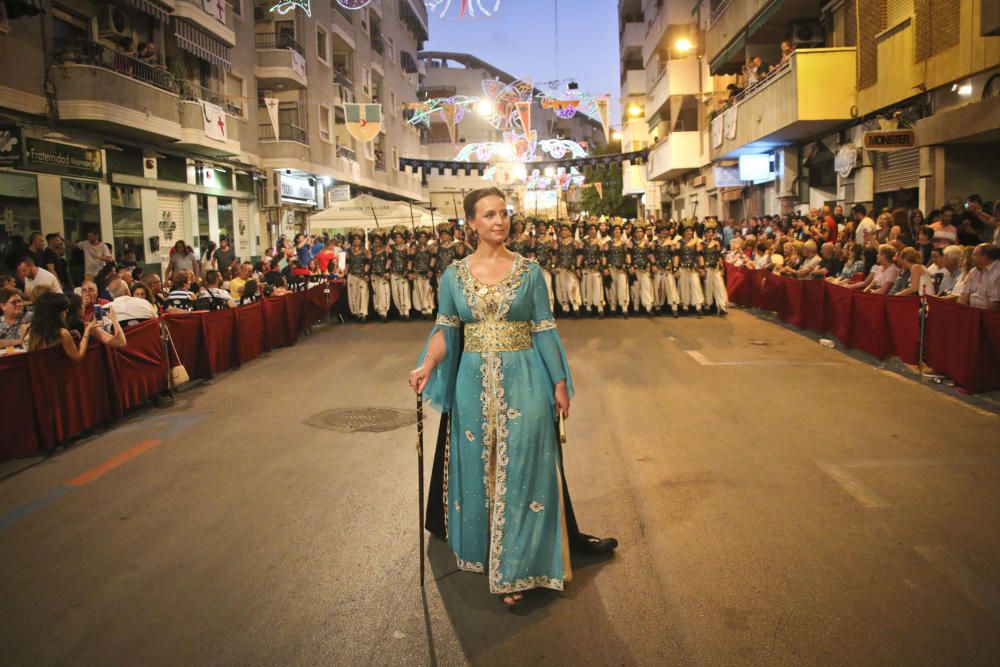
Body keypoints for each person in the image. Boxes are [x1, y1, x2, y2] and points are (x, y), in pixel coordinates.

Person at [408, 187, 615, 608]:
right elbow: (446, 331)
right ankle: (494, 555)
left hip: (526, 380)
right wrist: (427, 366)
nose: (499, 221)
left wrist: (558, 381)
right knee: (482, 471)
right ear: (471, 223)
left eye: (503, 213)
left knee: (523, 470)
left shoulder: (530, 272)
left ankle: (520, 567)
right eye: (488, 215)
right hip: (471, 386)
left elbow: (543, 328)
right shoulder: (453, 275)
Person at [25, 292, 104, 360]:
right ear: (55, 313)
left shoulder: (33, 331)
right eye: (63, 309)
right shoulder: (62, 333)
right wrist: (87, 331)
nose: (67, 311)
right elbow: (78, 357)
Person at [956, 243, 1000, 310]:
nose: (971, 257)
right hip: (972, 314)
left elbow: (995, 305)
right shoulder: (973, 272)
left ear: (984, 257)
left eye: (974, 254)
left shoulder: (997, 272)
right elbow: (963, 297)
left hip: (989, 316)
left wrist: (978, 317)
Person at [674, 223, 704, 316]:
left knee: (696, 286)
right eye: (687, 231)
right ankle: (685, 307)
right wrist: (675, 269)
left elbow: (699, 256)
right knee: (684, 287)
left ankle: (698, 307)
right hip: (683, 268)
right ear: (683, 232)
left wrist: (702, 268)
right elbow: (676, 256)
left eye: (691, 230)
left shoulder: (696, 242)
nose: (689, 232)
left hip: (693, 268)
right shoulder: (679, 242)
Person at [554, 222, 582, 318]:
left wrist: (577, 266)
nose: (564, 232)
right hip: (560, 268)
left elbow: (579, 255)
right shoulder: (557, 242)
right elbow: (554, 255)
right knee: (561, 288)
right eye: (562, 230)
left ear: (570, 232)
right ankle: (565, 308)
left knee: (572, 287)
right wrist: (553, 266)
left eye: (566, 230)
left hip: (571, 269)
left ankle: (576, 307)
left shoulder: (575, 243)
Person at [602, 221, 630, 318]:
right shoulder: (607, 243)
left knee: (622, 288)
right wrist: (605, 268)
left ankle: (624, 308)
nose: (617, 231)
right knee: (612, 288)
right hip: (611, 268)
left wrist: (628, 266)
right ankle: (613, 307)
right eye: (615, 230)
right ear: (612, 232)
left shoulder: (625, 243)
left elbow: (627, 256)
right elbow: (604, 256)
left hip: (622, 269)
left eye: (619, 230)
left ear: (622, 232)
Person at [579, 221, 606, 317]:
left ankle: (600, 308)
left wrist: (603, 266)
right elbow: (580, 255)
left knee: (598, 288)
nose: (592, 231)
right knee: (586, 287)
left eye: (594, 229)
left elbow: (603, 256)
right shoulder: (583, 242)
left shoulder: (600, 242)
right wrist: (578, 266)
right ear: (587, 231)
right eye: (590, 229)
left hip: (596, 268)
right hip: (586, 268)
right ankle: (588, 308)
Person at [701, 224, 727, 315]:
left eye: (712, 232)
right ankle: (707, 305)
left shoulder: (716, 243)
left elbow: (719, 256)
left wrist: (722, 267)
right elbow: (700, 257)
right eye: (708, 232)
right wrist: (702, 268)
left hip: (716, 268)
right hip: (707, 268)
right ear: (704, 234)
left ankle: (722, 306)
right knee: (707, 287)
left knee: (719, 286)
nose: (711, 234)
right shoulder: (701, 244)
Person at [345, 228, 370, 322]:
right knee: (353, 295)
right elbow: (347, 265)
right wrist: (344, 276)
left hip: (362, 276)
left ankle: (363, 314)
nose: (356, 240)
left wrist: (366, 274)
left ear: (361, 240)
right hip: (351, 275)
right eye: (354, 238)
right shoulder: (348, 251)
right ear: (352, 240)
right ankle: (356, 313)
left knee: (363, 295)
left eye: (358, 238)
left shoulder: (366, 251)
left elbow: (367, 264)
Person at [388, 226, 412, 320]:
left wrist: (409, 272)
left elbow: (410, 261)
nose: (398, 239)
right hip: (394, 273)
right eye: (396, 237)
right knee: (396, 292)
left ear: (403, 238)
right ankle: (400, 312)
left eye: (399, 237)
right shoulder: (391, 248)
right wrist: (387, 271)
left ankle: (406, 312)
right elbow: (389, 260)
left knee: (404, 292)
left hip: (404, 274)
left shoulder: (407, 248)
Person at [410, 227, 435, 319]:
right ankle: (423, 311)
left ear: (427, 238)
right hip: (417, 274)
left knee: (428, 292)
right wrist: (410, 272)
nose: (422, 238)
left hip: (428, 274)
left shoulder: (431, 248)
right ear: (418, 238)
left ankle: (429, 310)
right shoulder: (414, 248)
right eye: (420, 237)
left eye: (424, 237)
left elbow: (433, 259)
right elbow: (411, 261)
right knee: (420, 292)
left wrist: (431, 270)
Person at [368, 232, 391, 322]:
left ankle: (384, 313)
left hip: (383, 276)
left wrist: (387, 271)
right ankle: (379, 312)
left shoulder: (386, 250)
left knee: (384, 293)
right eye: (375, 239)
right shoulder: (371, 251)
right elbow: (369, 264)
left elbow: (389, 261)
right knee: (376, 295)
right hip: (374, 276)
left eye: (379, 239)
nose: (377, 241)